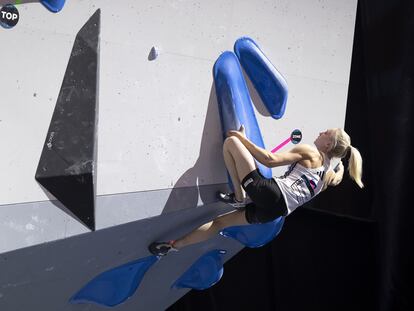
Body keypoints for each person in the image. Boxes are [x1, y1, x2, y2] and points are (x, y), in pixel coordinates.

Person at [149, 126, 364, 256]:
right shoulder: (327, 176)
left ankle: (239, 194)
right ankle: (172, 247)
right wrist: (341, 168)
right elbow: (337, 178)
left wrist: (243, 139)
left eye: (326, 132)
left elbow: (269, 160)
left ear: (328, 144)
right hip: (274, 213)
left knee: (231, 142)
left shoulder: (310, 151)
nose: (321, 132)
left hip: (272, 193)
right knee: (220, 223)